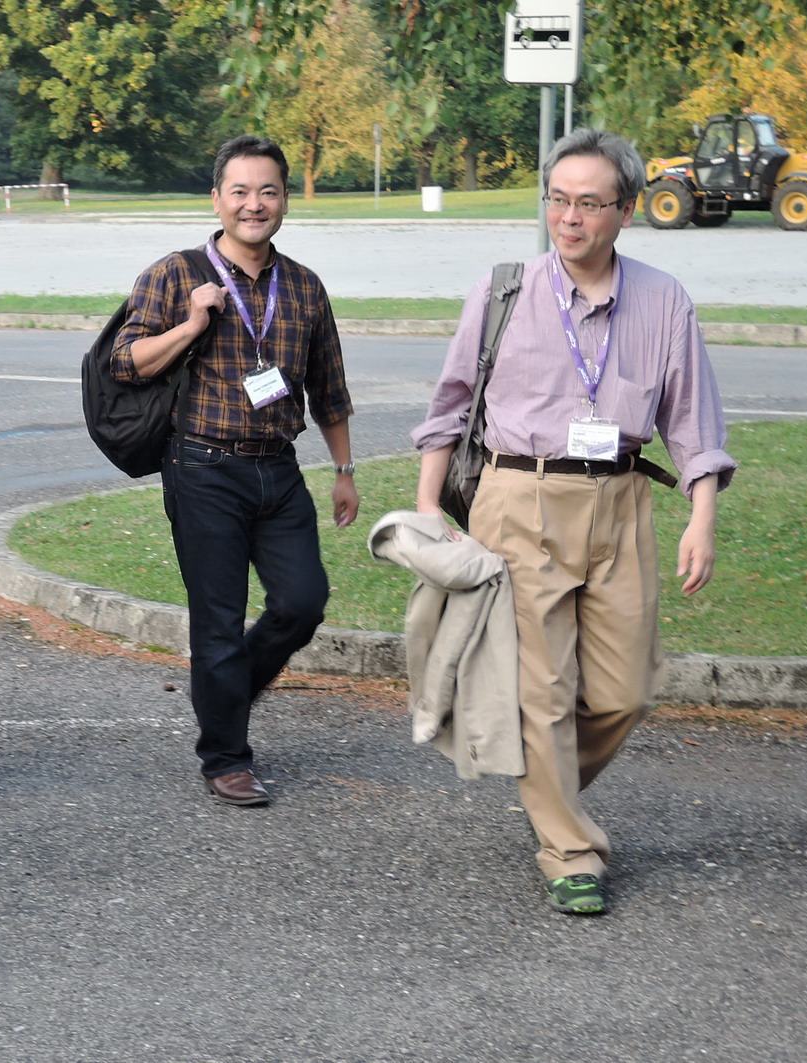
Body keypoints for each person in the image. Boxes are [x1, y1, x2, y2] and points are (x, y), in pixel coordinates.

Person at [412, 129, 735, 915]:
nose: (570, 217)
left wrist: (702, 517)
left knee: (627, 689)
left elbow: (692, 421)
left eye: (589, 202)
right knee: (543, 690)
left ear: (626, 209)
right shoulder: (504, 292)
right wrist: (427, 507)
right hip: (517, 498)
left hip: (621, 502)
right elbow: (450, 405)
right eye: (558, 199)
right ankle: (568, 849)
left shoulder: (663, 300)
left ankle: (543, 784)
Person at [111, 135, 359, 806]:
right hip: (203, 468)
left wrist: (343, 468)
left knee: (302, 602)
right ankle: (226, 757)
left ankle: (223, 692)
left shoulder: (304, 287)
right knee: (218, 620)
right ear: (217, 199)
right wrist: (192, 324)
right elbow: (125, 362)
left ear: (285, 201)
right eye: (241, 191)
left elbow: (329, 389)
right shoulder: (174, 274)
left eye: (268, 191)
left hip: (278, 470)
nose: (255, 204)